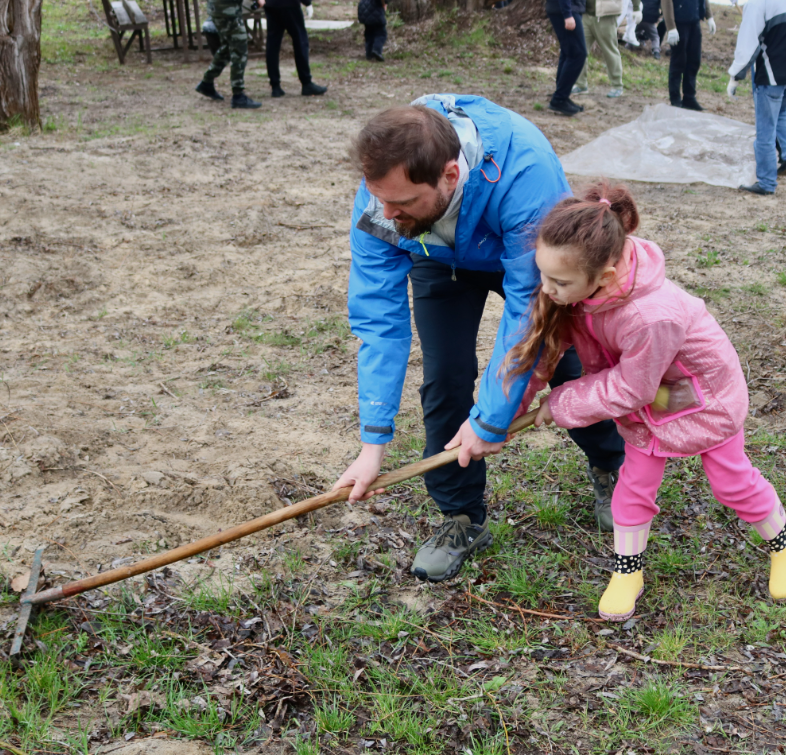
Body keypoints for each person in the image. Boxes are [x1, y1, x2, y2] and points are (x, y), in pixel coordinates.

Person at [332, 96, 626, 583]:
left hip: (525, 254)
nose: (384, 213)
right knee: (445, 376)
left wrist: (492, 417)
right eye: (376, 197)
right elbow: (379, 320)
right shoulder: (385, 206)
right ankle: (462, 517)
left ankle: (610, 465)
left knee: (564, 363)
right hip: (439, 257)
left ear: (450, 175)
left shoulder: (523, 173)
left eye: (401, 203)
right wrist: (372, 443)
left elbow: (529, 311)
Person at [505, 181, 785, 621]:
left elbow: (630, 388)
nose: (547, 289)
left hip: (702, 399)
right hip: (650, 399)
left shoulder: (651, 315)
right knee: (633, 487)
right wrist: (504, 415)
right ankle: (627, 572)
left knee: (732, 482)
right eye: (542, 275)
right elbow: (542, 354)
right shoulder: (578, 290)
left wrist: (561, 403)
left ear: (607, 277)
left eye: (558, 281)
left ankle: (782, 546)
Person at [727, 0, 786, 196]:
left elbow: (748, 43)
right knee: (783, 119)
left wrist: (736, 75)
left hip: (772, 76)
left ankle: (767, 182)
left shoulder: (758, 3)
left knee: (766, 130)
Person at [195, 0, 262, 109]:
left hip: (217, 8)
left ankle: (206, 83)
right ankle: (238, 95)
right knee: (239, 48)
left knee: (227, 47)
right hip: (227, 10)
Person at [572, 0, 641, 98]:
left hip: (606, 15)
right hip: (585, 14)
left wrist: (636, 8)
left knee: (610, 51)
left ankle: (617, 85)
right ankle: (580, 84)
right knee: (580, 50)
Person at [264, 0, 328, 97]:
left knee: (273, 44)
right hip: (289, 5)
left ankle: (275, 85)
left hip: (271, 4)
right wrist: (307, 3)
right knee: (300, 41)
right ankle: (306, 82)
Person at [661, 0, 716, 110]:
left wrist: (709, 16)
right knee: (678, 61)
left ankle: (689, 97)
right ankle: (675, 98)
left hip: (694, 21)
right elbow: (666, 2)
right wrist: (671, 27)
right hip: (679, 21)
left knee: (694, 60)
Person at [545, 0, 589, 115]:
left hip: (567, 9)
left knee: (568, 53)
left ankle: (562, 96)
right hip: (566, 10)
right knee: (578, 54)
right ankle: (559, 98)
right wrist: (567, 14)